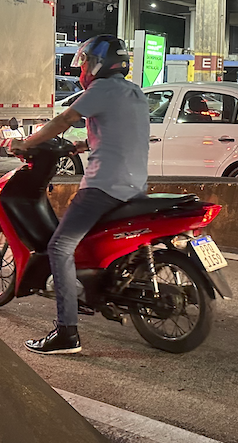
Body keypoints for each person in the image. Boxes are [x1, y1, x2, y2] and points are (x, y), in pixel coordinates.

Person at [8, 34, 149, 355]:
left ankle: (66, 332)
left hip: (103, 186)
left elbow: (64, 119)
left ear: (97, 62)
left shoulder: (101, 90)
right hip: (134, 185)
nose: (82, 69)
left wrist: (25, 143)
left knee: (59, 246)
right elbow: (121, 134)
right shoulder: (134, 92)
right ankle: (94, 290)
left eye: (84, 62)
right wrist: (83, 145)